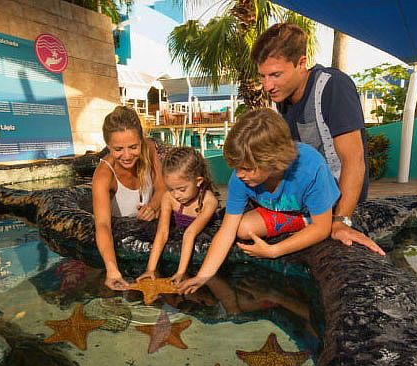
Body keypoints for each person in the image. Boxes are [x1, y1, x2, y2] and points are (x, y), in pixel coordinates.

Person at [251, 22, 385, 256]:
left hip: (334, 201)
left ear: (301, 63)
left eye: (275, 75)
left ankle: (318, 226)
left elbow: (354, 160)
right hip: (306, 196)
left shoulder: (332, 86)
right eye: (262, 76)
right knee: (243, 226)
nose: (267, 86)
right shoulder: (282, 97)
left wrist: (341, 220)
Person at [178, 108, 340, 294]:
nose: (239, 175)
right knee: (242, 229)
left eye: (246, 168)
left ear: (273, 160)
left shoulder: (310, 167)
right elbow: (227, 230)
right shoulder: (240, 177)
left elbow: (322, 228)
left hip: (313, 212)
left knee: (319, 223)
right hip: (280, 210)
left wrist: (274, 250)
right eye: (236, 168)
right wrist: (202, 276)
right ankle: (300, 222)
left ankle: (305, 220)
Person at [92, 106, 166, 290]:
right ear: (108, 146)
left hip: (153, 239)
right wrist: (111, 269)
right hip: (122, 244)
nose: (127, 155)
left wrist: (153, 206)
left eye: (133, 147)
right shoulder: (103, 175)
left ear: (141, 141)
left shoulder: (148, 148)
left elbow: (162, 186)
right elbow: (102, 225)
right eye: (118, 149)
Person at [137, 146, 220, 284]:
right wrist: (151, 269)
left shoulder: (209, 201)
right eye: (171, 189)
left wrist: (181, 272)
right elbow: (162, 232)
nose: (176, 195)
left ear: (198, 181)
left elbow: (190, 233)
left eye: (181, 189)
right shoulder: (169, 198)